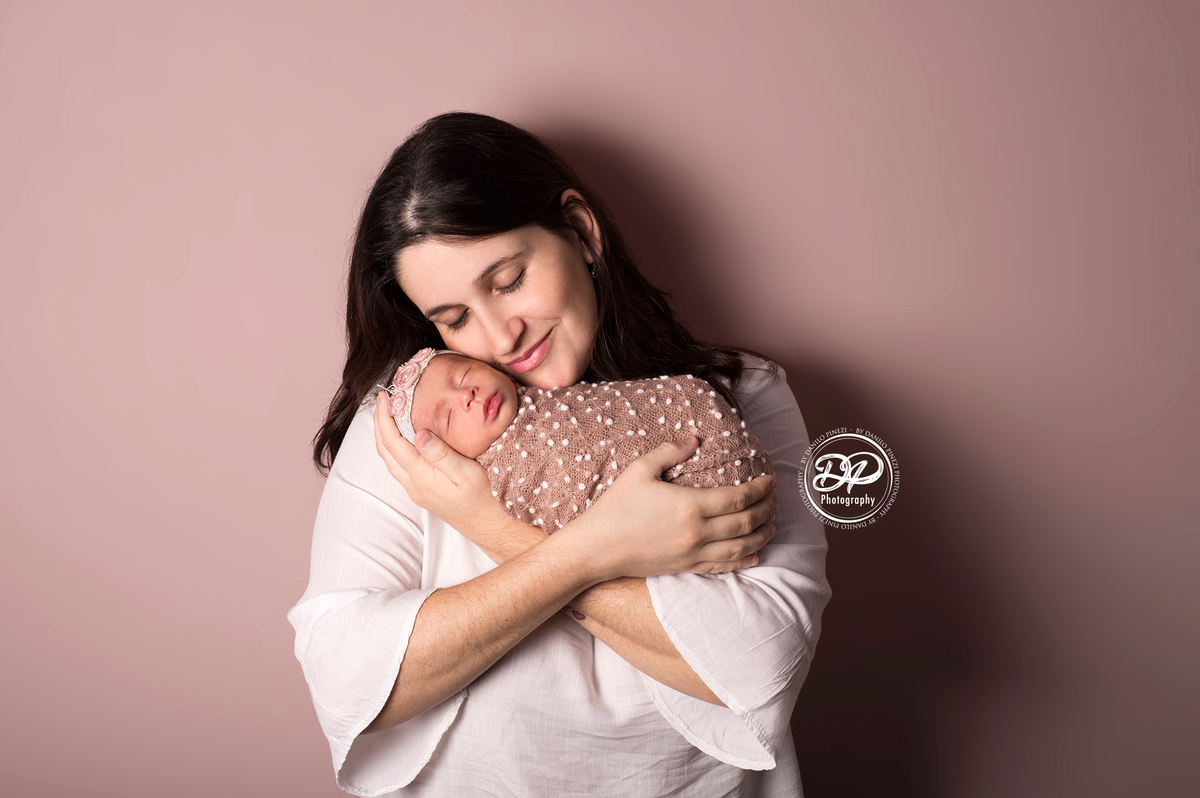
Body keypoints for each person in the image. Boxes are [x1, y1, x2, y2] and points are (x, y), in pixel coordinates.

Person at [289, 112, 831, 797]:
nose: (498, 334)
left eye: (509, 279)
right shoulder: (417, 424)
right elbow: (347, 679)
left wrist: (494, 530)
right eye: (453, 318)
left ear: (580, 231)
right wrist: (595, 549)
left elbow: (763, 664)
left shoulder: (741, 399)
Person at [384, 347, 773, 531]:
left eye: (465, 375)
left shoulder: (538, 393)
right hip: (689, 500)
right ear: (441, 453)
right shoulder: (505, 477)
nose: (466, 396)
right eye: (449, 417)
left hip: (695, 419)